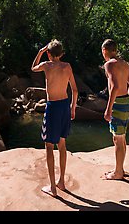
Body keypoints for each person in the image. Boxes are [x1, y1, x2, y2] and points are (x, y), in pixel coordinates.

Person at [31, 39, 78, 198]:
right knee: (62, 143)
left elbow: (32, 68)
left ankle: (53, 187)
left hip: (52, 107)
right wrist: (72, 109)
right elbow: (75, 91)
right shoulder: (67, 66)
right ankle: (61, 182)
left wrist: (40, 52)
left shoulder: (46, 65)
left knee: (49, 145)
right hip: (64, 105)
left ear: (49, 53)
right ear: (62, 53)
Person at [101, 39, 129, 180]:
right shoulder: (124, 64)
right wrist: (128, 99)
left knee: (117, 139)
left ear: (105, 51)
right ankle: (120, 168)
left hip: (117, 103)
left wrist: (108, 109)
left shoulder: (109, 65)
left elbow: (114, 87)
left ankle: (118, 173)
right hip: (126, 101)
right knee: (122, 138)